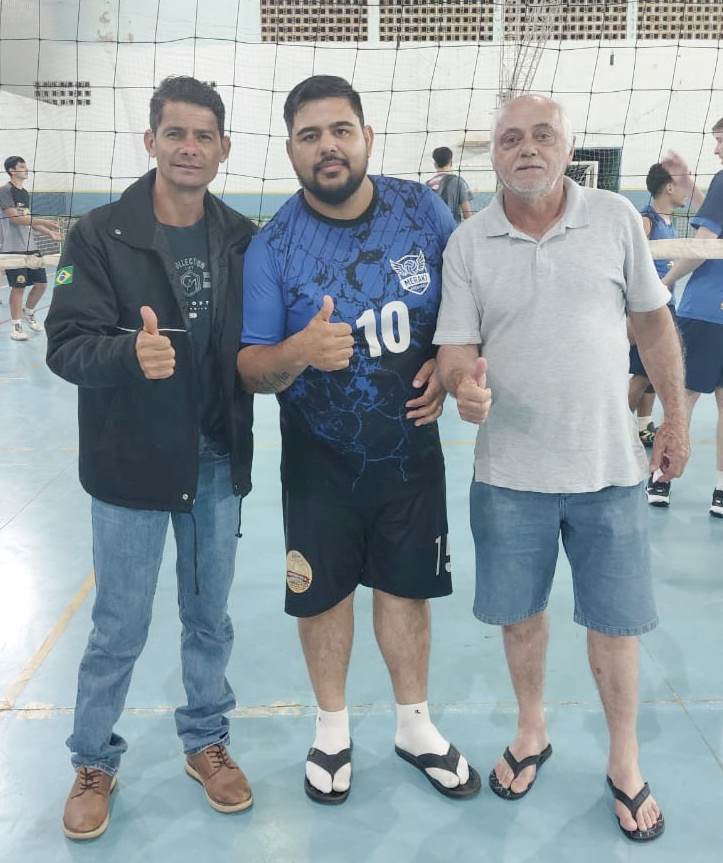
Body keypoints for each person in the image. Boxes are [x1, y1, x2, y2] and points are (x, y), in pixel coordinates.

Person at [435, 94, 688, 842]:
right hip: (509, 475)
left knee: (615, 626)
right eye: (510, 138)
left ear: (566, 147)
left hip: (609, 470)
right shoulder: (468, 242)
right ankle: (532, 729)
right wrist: (463, 387)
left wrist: (675, 416)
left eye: (542, 135)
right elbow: (455, 348)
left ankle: (623, 759)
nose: (527, 149)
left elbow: (652, 325)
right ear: (493, 153)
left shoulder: (614, 219)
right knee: (521, 619)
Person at [237, 75, 480, 805]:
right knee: (322, 597)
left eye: (340, 130)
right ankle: (332, 729)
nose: (328, 146)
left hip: (410, 453)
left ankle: (414, 726)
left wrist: (449, 362)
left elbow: (468, 305)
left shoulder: (421, 209)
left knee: (407, 590)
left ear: (366, 137)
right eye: (309, 135)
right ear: (290, 150)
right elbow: (251, 367)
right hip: (319, 463)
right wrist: (298, 351)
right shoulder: (273, 246)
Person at [45, 76, 257, 841]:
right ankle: (93, 759)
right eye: (175, 133)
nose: (188, 148)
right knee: (118, 626)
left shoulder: (242, 237)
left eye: (203, 136)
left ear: (223, 148)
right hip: (129, 468)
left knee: (209, 619)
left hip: (215, 465)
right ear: (150, 141)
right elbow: (64, 344)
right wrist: (127, 355)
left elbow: (264, 342)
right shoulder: (99, 234)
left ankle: (206, 741)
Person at [658, 120, 723, 518]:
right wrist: (691, 185)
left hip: (706, 310)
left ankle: (660, 479)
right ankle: (721, 492)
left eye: (720, 141)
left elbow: (702, 248)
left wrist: (664, 282)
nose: (716, 150)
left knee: (681, 398)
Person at [628, 157, 702, 480]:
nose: (686, 190)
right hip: (645, 307)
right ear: (669, 187)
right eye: (681, 184)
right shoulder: (646, 220)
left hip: (665, 302)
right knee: (642, 372)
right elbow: (630, 263)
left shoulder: (670, 222)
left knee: (654, 373)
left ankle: (643, 425)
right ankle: (620, 421)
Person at [0, 156, 61, 340]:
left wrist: (48, 232)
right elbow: (15, 218)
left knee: (41, 284)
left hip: (30, 246)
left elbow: (28, 219)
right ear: (12, 170)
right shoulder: (5, 191)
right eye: (22, 166)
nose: (26, 169)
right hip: (13, 248)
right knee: (18, 286)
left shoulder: (24, 193)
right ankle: (16, 327)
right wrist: (45, 222)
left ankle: (28, 312)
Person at [426, 146, 474, 224]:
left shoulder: (427, 185)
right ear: (451, 162)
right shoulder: (458, 182)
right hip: (453, 229)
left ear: (435, 164)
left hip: (434, 230)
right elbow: (467, 215)